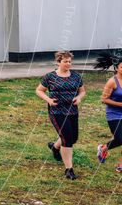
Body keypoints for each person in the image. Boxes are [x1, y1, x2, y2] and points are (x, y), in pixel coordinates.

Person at [35, 51, 86, 180]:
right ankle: (69, 169)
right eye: (65, 61)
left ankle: (55, 146)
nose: (68, 64)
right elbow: (39, 90)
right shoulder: (50, 77)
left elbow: (82, 91)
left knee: (73, 138)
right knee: (67, 139)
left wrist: (79, 98)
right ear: (58, 62)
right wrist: (49, 100)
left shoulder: (76, 76)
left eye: (69, 61)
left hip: (72, 111)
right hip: (57, 111)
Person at [93, 52, 122, 173]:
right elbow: (104, 99)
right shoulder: (112, 81)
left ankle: (121, 165)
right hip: (114, 115)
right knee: (120, 139)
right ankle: (103, 148)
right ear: (117, 68)